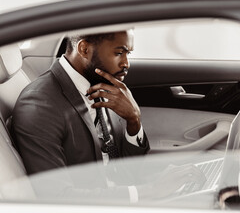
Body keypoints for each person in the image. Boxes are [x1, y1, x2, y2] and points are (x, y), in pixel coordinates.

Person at [11, 29, 150, 175]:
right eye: (119, 53)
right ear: (84, 49)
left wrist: (134, 120)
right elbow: (55, 193)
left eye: (128, 54)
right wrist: (139, 193)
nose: (126, 64)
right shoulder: (39, 105)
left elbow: (127, 169)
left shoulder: (104, 85)